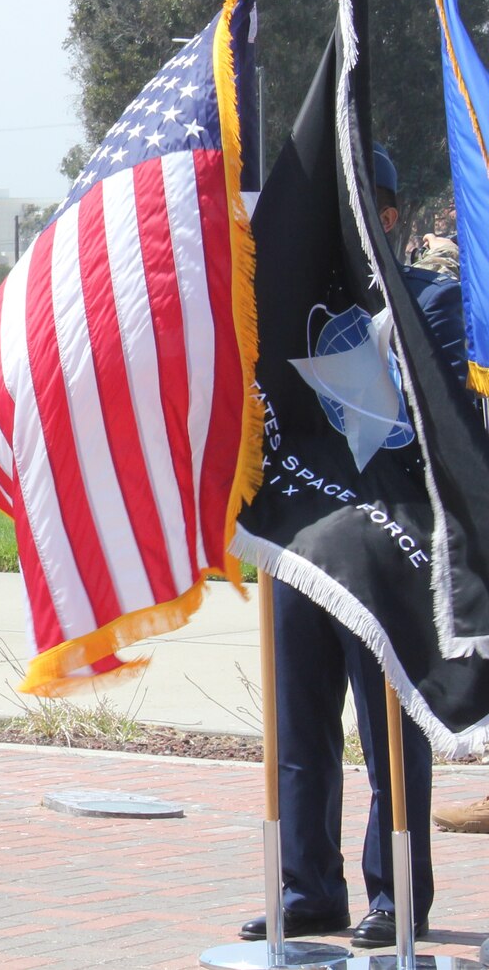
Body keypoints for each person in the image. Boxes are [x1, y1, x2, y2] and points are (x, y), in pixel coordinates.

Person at [242, 146, 453, 946]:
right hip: (305, 540)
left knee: (389, 730)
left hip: (387, 543)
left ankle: (396, 891)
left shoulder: (432, 300)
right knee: (301, 725)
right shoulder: (291, 306)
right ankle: (309, 888)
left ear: (390, 217)